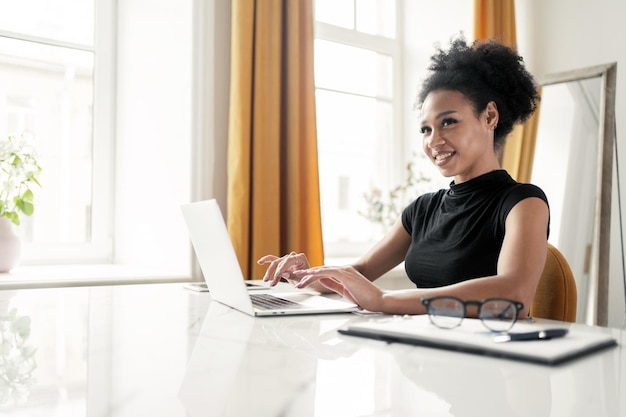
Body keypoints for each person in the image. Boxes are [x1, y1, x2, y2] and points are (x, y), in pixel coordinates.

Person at [257, 36, 549, 317]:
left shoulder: (523, 203)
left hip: (487, 359)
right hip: (421, 352)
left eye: (448, 122)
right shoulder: (422, 210)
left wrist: (384, 299)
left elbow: (514, 294)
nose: (434, 141)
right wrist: (309, 274)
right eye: (425, 129)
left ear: (489, 117)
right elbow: (360, 273)